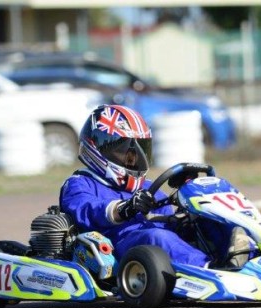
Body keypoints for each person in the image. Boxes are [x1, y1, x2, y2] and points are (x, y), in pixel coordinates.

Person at [59, 104, 249, 268]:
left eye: (140, 151)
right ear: (98, 149)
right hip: (115, 248)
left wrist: (183, 217)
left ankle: (250, 257)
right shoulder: (79, 184)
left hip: (154, 251)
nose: (134, 159)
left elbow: (166, 219)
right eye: (126, 152)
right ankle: (210, 269)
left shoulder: (146, 188)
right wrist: (126, 208)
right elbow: (88, 211)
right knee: (157, 237)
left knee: (206, 221)